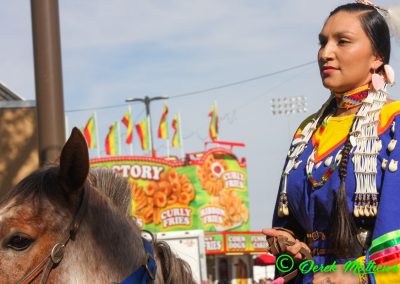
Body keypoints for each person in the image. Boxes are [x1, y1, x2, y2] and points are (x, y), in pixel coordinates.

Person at [263, 1, 400, 283]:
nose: (326, 53)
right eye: (323, 42)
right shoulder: (307, 132)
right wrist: (291, 244)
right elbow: (289, 220)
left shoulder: (393, 123)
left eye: (343, 41)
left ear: (376, 57)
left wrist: (354, 276)